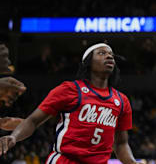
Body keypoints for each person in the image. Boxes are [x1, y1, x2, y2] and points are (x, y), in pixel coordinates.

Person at [0, 43, 138, 164]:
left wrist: (132, 162)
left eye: (111, 55)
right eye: (102, 53)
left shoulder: (121, 100)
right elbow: (33, 120)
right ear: (88, 62)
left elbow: (121, 143)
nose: (109, 57)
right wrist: (14, 137)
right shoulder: (69, 89)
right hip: (66, 160)